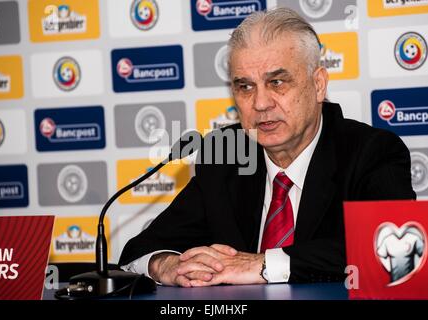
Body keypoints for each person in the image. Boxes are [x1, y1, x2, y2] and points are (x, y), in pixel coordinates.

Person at [118, 7, 416, 287]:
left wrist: (262, 265)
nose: (260, 103)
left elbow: (393, 256)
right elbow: (138, 251)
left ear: (318, 85)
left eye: (277, 82)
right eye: (245, 87)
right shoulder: (224, 154)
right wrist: (166, 265)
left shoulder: (372, 152)